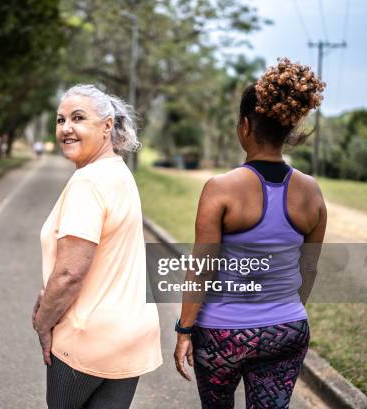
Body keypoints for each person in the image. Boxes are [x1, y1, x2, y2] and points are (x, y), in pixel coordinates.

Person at [173, 58, 327, 409]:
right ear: (288, 129)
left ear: (245, 126)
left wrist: (184, 330)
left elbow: (201, 268)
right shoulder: (311, 192)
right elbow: (309, 269)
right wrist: (281, 314)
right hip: (287, 329)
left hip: (221, 334)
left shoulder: (221, 189)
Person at [33, 84, 162, 409]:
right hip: (129, 335)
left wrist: (43, 322)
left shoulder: (88, 182)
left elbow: (69, 274)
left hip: (87, 337)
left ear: (107, 125)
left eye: (78, 118)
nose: (66, 128)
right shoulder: (118, 171)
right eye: (60, 120)